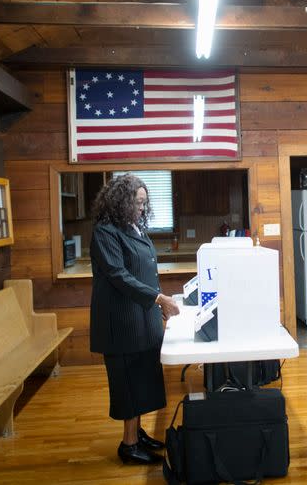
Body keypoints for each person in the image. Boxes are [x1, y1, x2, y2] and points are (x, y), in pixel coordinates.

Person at [89, 174, 180, 464]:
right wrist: (158, 299)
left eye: (144, 202)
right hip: (121, 322)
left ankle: (137, 434)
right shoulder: (105, 231)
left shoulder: (134, 228)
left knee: (142, 377)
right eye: (137, 202)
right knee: (128, 381)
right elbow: (118, 275)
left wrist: (158, 301)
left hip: (141, 318)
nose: (142, 208)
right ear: (121, 202)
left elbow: (144, 270)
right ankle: (128, 446)